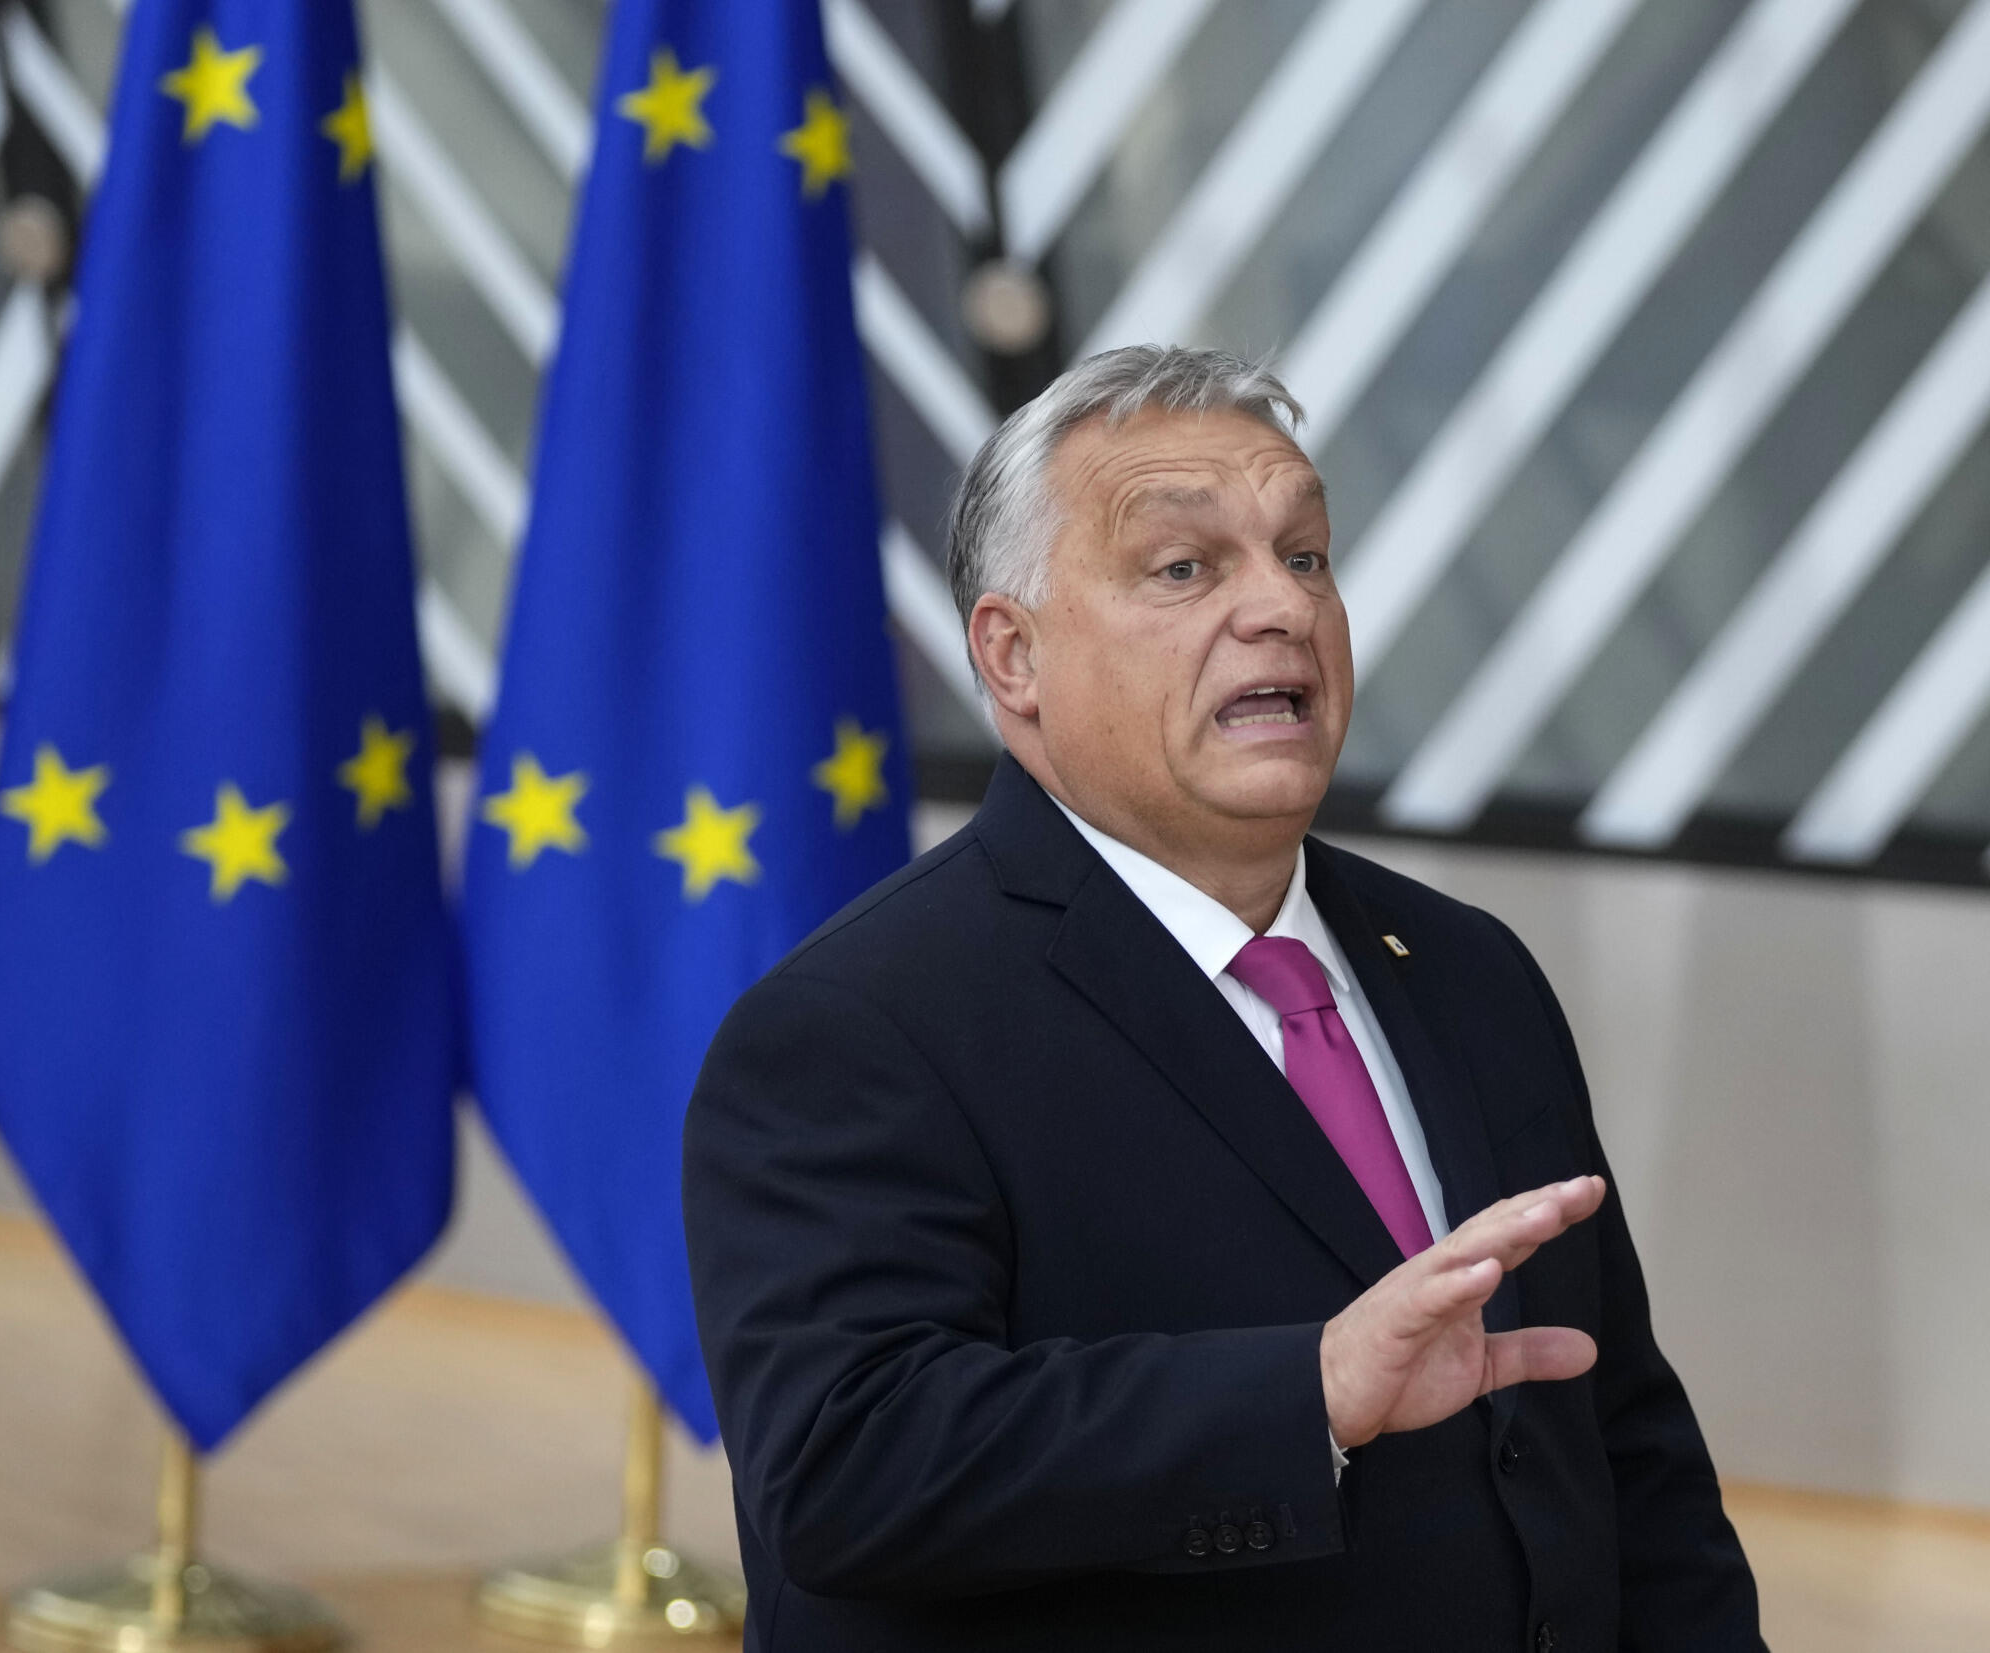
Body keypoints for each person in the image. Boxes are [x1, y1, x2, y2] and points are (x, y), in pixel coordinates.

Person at [681, 346, 1763, 1652]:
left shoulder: (1471, 970)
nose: (1282, 609)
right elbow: (844, 1468)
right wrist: (1303, 1396)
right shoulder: (859, 1025)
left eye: (1303, 556)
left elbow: (1620, 1435)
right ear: (1012, 655)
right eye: (1185, 567)